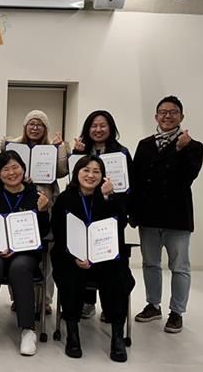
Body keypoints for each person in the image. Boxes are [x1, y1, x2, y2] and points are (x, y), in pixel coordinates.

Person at [131, 96, 203, 334]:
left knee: (179, 266)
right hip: (149, 216)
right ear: (156, 116)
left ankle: (177, 312)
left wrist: (181, 149)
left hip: (177, 217)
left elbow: (189, 176)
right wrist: (133, 212)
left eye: (173, 112)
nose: (167, 116)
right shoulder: (145, 145)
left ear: (181, 116)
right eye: (163, 112)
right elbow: (136, 180)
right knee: (150, 264)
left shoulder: (193, 146)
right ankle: (153, 305)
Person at [51, 155, 135, 363]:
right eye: (86, 170)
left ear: (103, 176)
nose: (90, 175)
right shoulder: (65, 199)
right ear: (77, 173)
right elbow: (59, 234)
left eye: (96, 171)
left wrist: (108, 198)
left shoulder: (109, 197)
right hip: (72, 257)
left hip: (104, 258)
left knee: (116, 275)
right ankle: (72, 332)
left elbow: (119, 227)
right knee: (70, 275)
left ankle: (117, 334)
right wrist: (74, 256)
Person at [0, 150, 49, 355]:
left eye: (15, 167)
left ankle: (28, 330)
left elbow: (43, 232)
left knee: (19, 267)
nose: (11, 173)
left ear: (23, 169)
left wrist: (43, 212)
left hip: (25, 251)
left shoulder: (35, 196)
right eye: (5, 169)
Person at [1, 109, 69, 313]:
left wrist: (61, 149)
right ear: (25, 126)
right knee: (18, 248)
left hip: (45, 204)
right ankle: (18, 298)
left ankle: (44, 300)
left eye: (40, 124)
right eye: (31, 123)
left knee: (46, 255)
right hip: (19, 203)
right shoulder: (14, 145)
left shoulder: (52, 148)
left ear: (45, 128)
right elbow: (2, 168)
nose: (35, 127)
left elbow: (62, 171)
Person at [71, 110, 133, 320]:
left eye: (102, 125)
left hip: (111, 212)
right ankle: (88, 302)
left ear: (111, 128)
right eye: (94, 126)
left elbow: (130, 185)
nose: (98, 129)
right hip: (84, 213)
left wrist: (115, 200)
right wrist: (76, 153)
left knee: (108, 257)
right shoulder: (81, 151)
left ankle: (111, 306)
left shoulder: (121, 153)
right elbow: (73, 181)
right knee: (84, 255)